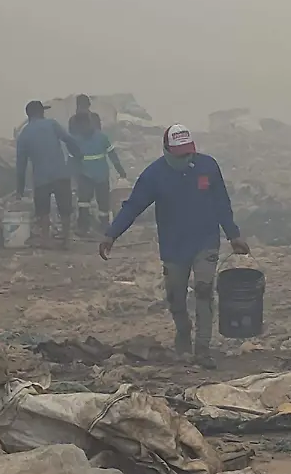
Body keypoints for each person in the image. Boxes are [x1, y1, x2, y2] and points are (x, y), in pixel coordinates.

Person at [99, 124, 250, 368]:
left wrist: (234, 235)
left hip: (205, 241)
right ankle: (183, 332)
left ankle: (202, 349)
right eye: (180, 155)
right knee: (175, 296)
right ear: (166, 151)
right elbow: (133, 206)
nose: (185, 159)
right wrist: (111, 234)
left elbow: (221, 202)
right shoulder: (154, 175)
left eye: (188, 154)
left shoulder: (208, 167)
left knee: (204, 290)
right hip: (173, 245)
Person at [16, 100, 82, 248]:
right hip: (60, 173)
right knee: (65, 208)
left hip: (41, 178)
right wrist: (77, 155)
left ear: (28, 115)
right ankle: (66, 239)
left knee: (43, 210)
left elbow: (21, 164)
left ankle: (45, 240)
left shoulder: (24, 134)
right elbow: (69, 139)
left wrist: (19, 189)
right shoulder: (52, 124)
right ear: (41, 112)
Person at [69, 111, 127, 236]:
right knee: (83, 202)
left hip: (102, 176)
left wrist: (120, 170)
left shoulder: (102, 138)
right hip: (84, 176)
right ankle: (83, 227)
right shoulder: (75, 141)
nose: (84, 127)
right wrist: (72, 177)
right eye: (81, 125)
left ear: (90, 123)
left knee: (103, 203)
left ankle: (104, 226)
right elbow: (72, 161)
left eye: (86, 124)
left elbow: (112, 154)